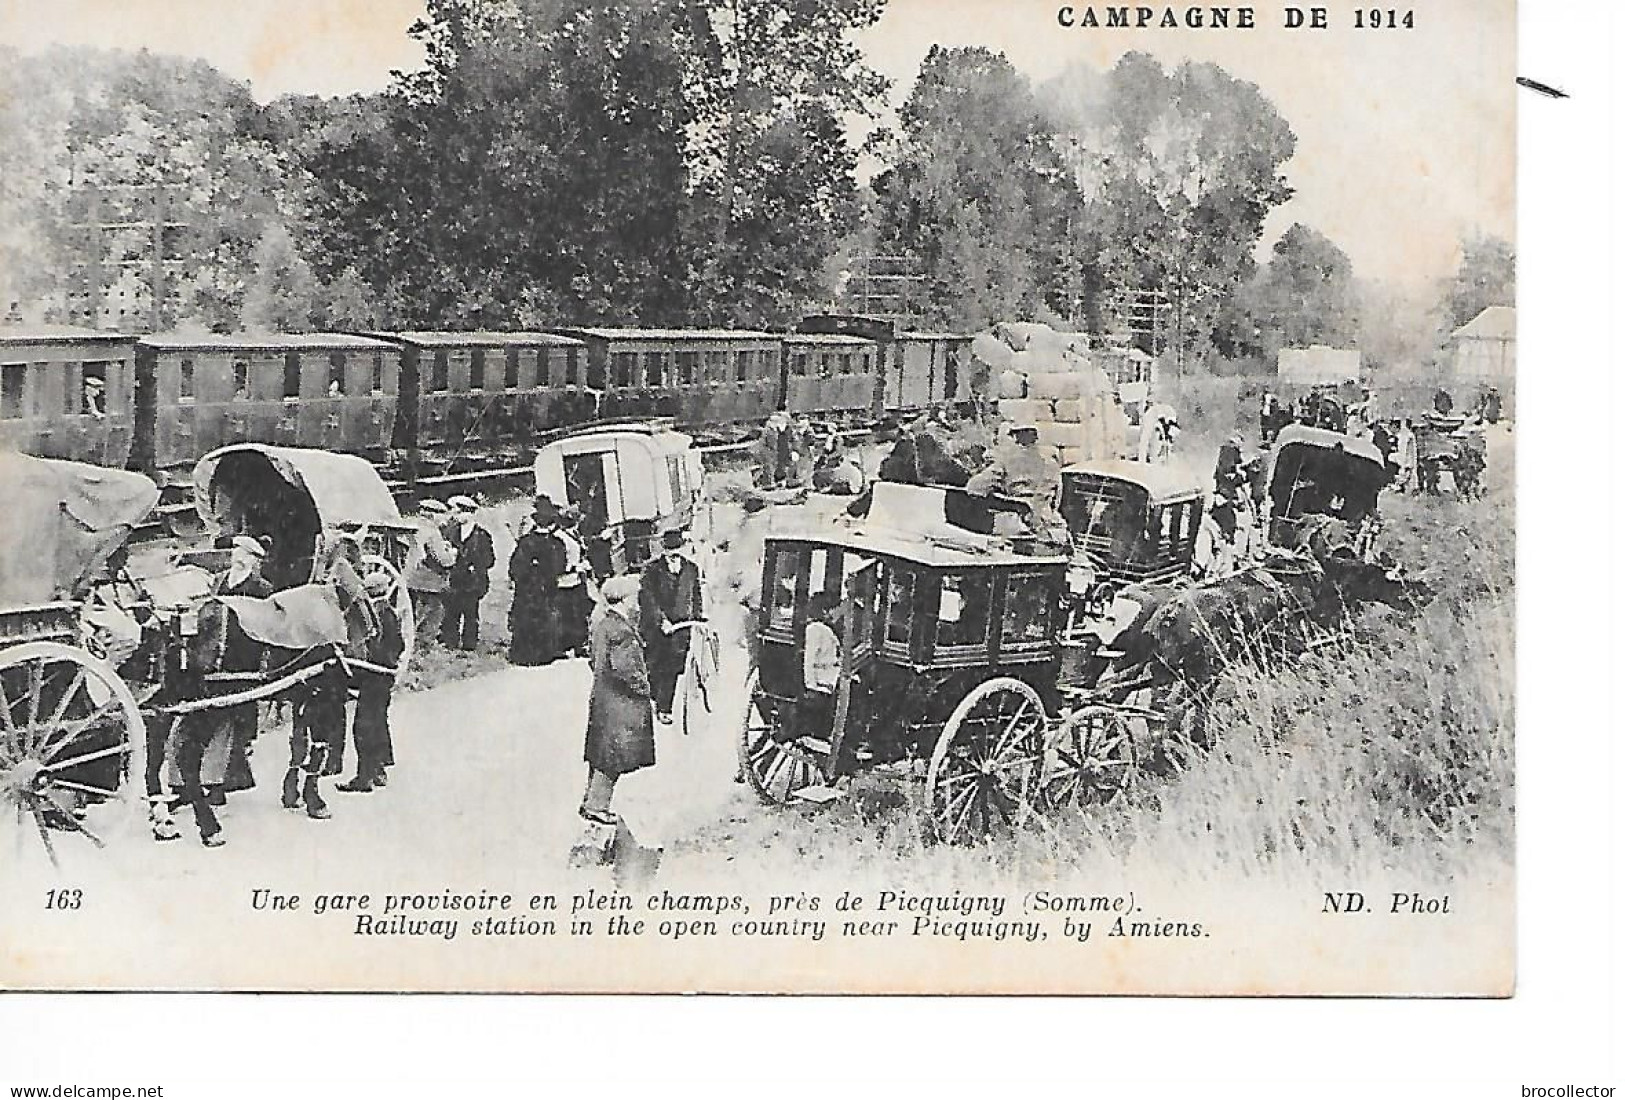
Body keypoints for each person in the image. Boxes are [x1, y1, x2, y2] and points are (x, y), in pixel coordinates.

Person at [580, 575, 655, 827]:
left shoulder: (602, 624)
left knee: (600, 752)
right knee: (614, 756)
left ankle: (589, 799)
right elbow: (625, 669)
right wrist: (644, 687)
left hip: (603, 697)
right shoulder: (622, 631)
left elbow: (595, 661)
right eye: (634, 598)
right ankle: (597, 806)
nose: (637, 603)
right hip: (621, 703)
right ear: (624, 600)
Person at [337, 569, 406, 793]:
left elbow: (375, 646)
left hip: (375, 676)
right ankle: (378, 770)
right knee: (378, 722)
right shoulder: (390, 613)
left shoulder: (377, 616)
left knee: (364, 726)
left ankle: (363, 777)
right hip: (383, 677)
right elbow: (399, 646)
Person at [637, 529, 704, 725]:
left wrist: (698, 618)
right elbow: (648, 599)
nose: (673, 553)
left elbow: (696, 596)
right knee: (656, 666)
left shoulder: (692, 569)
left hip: (682, 628)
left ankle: (664, 705)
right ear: (663, 549)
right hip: (658, 629)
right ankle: (657, 701)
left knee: (674, 668)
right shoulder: (651, 570)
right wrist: (661, 620)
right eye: (669, 550)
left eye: (676, 549)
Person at [967, 424, 1067, 548]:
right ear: (1036, 437)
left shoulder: (1007, 461)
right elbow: (1057, 501)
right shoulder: (1052, 464)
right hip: (1052, 528)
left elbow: (974, 487)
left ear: (1016, 438)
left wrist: (997, 492)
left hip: (1021, 525)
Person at [508, 496, 567, 666]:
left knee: (526, 619)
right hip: (545, 589)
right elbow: (559, 567)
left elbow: (514, 568)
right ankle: (543, 654)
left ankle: (524, 655)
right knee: (543, 618)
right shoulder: (556, 543)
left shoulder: (525, 542)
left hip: (527, 590)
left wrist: (527, 572)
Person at [442, 495, 495, 651]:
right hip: (455, 580)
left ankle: (469, 644)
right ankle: (450, 641)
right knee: (452, 612)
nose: (456, 516)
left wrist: (475, 565)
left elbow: (490, 560)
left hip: (473, 582)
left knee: (471, 613)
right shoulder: (450, 531)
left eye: (459, 513)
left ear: (469, 513)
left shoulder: (482, 535)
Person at [405, 500, 455, 646]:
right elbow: (444, 560)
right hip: (428, 581)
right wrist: (452, 553)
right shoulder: (432, 531)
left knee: (413, 613)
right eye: (442, 515)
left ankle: (412, 643)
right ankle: (424, 644)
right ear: (433, 514)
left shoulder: (412, 526)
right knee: (434, 613)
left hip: (410, 578)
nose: (444, 519)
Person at [799, 592, 842, 742]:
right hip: (822, 679)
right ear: (824, 610)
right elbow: (809, 657)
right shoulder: (816, 629)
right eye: (833, 610)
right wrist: (810, 684)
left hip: (830, 677)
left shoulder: (825, 629)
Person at [555, 506, 592, 656]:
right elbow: (557, 561)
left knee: (579, 612)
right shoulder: (559, 537)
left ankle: (579, 644)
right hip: (564, 581)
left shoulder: (575, 535)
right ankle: (566, 644)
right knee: (567, 613)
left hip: (577, 579)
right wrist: (573, 567)